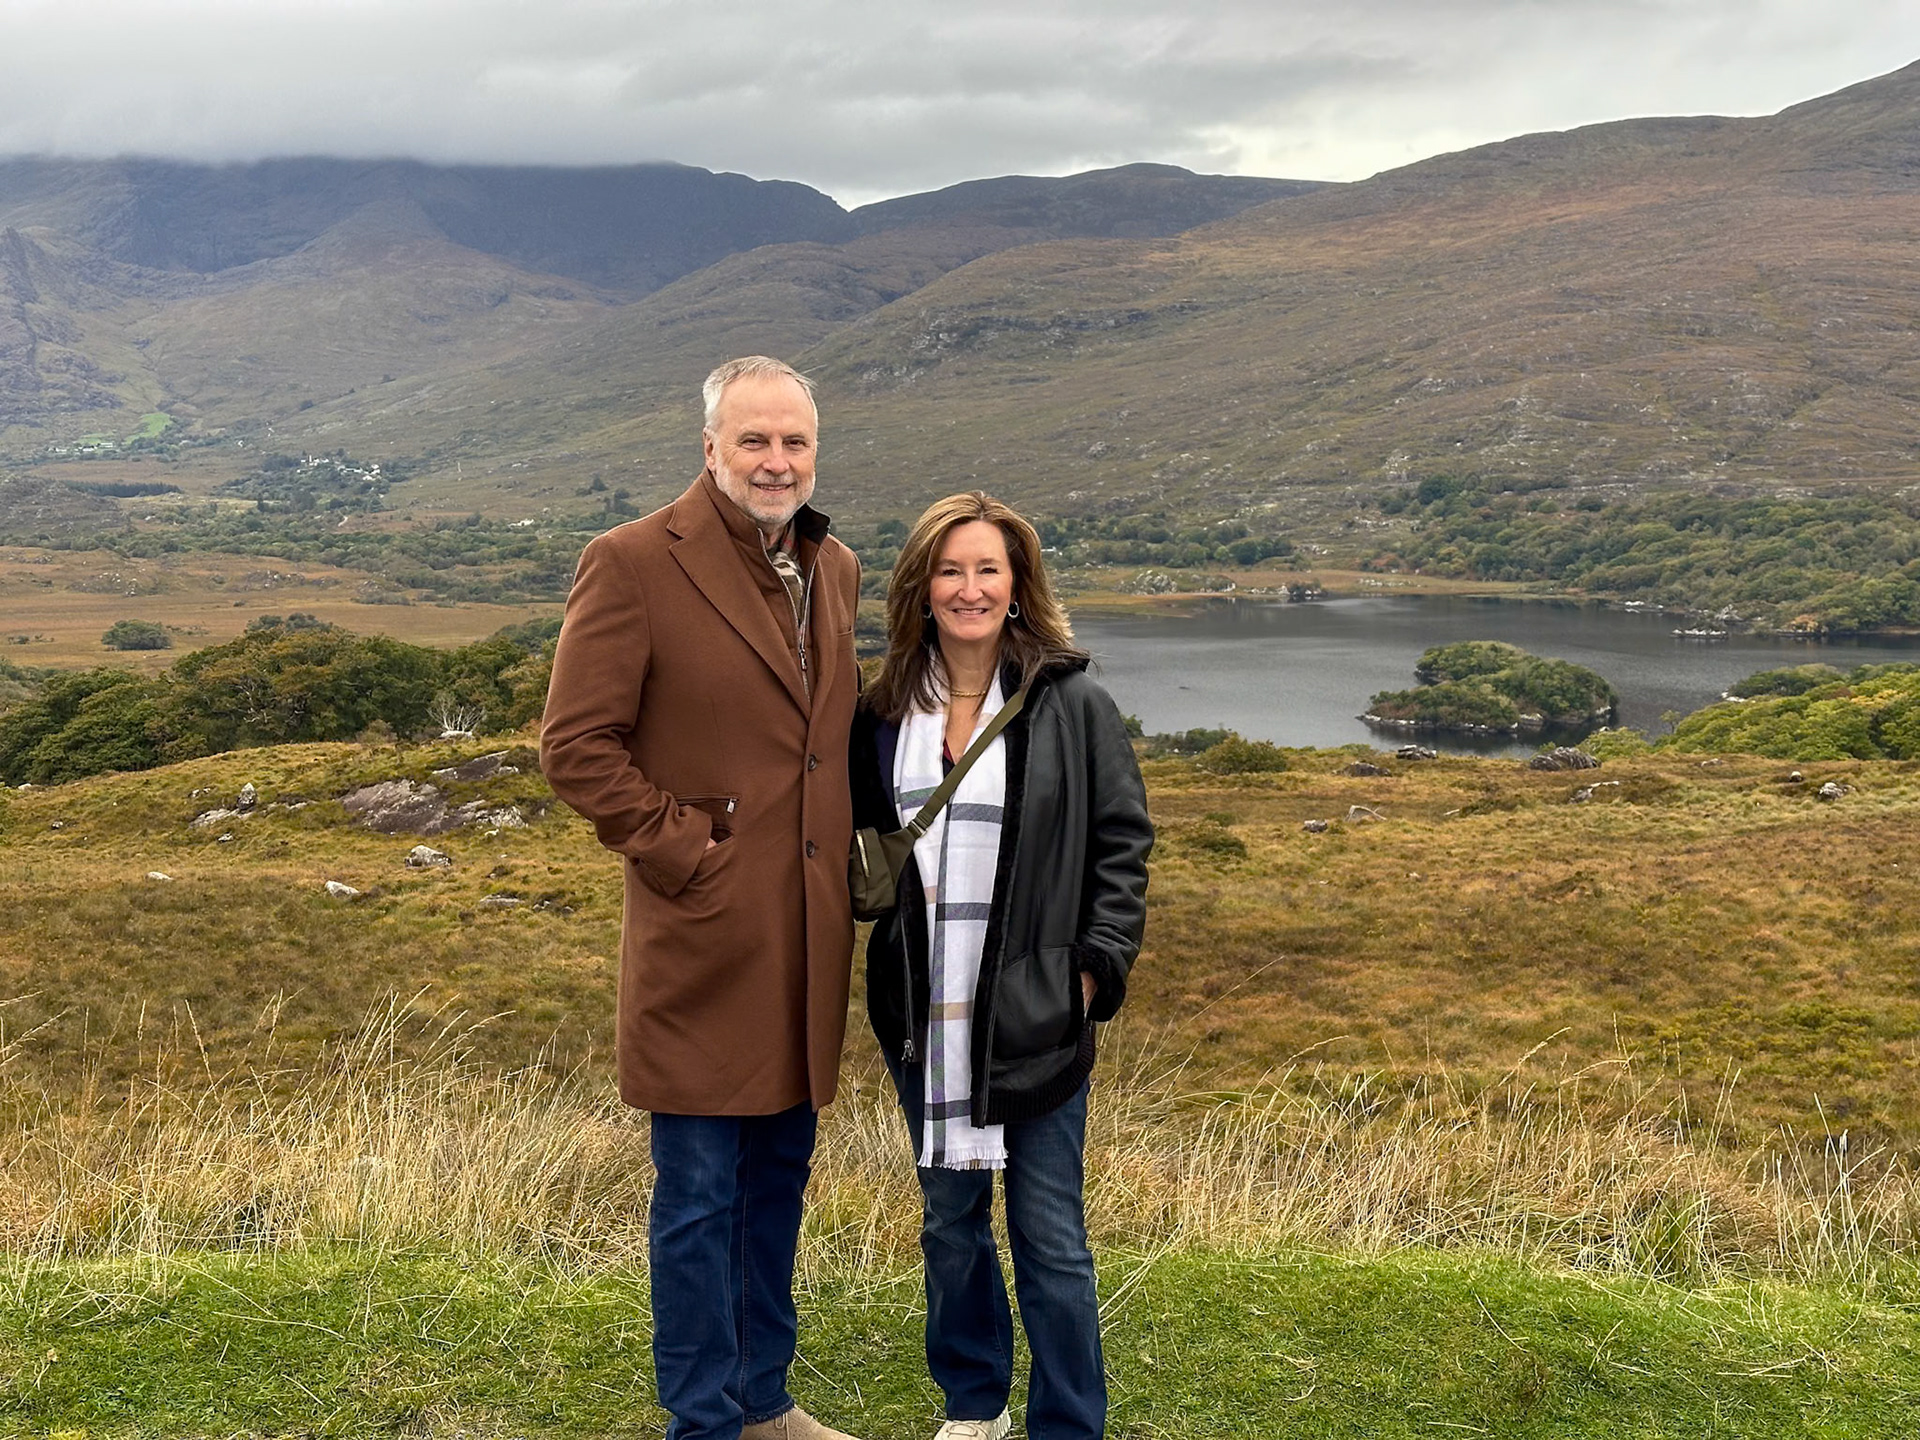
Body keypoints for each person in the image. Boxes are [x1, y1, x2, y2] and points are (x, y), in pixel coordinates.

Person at [540, 356, 863, 1440]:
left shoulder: (834, 567)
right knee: (698, 1197)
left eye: (795, 442)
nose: (777, 462)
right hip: (702, 933)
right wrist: (690, 850)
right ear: (711, 447)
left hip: (807, 939)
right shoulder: (632, 560)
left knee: (777, 1185)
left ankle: (763, 1401)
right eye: (754, 440)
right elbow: (577, 747)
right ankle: (705, 1421)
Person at [849, 492, 1153, 1440]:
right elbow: (857, 846)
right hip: (923, 1016)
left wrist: (1093, 971)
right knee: (950, 1222)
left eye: (988, 569)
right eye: (950, 570)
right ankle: (973, 1405)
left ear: (1018, 586)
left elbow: (1122, 843)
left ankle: (1068, 1423)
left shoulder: (1075, 704)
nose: (969, 588)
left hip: (1037, 1015)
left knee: (1050, 1234)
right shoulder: (882, 713)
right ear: (921, 587)